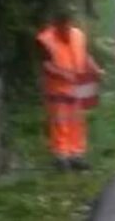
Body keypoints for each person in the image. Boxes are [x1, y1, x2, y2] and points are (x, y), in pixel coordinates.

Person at [36, 10, 104, 171]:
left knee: (77, 122)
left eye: (68, 27)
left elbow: (85, 55)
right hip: (58, 90)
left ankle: (76, 155)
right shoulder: (45, 40)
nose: (66, 31)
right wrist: (64, 75)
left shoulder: (77, 35)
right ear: (56, 25)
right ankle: (61, 156)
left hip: (77, 88)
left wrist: (96, 69)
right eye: (62, 29)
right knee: (60, 123)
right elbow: (46, 65)